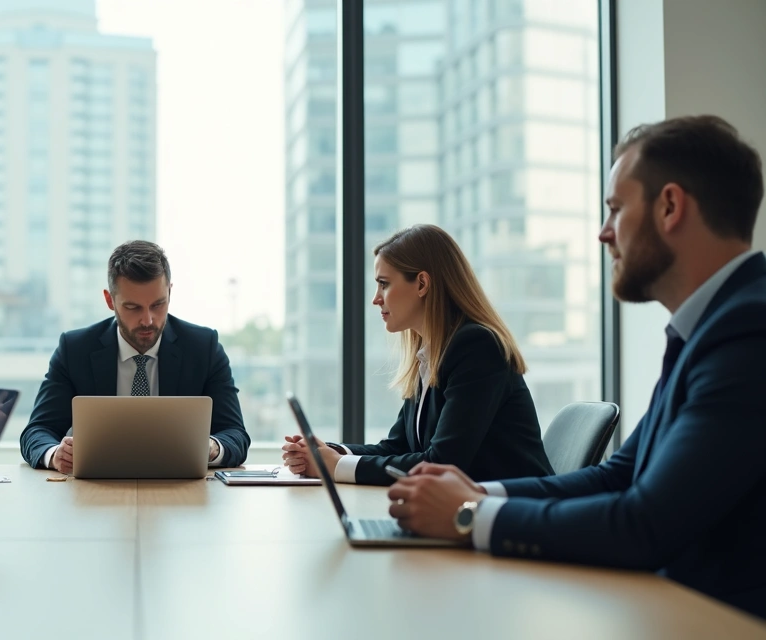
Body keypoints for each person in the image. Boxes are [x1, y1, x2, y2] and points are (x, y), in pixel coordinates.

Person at [388, 115, 766, 620]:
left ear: (671, 206)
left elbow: (644, 525)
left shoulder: (748, 331)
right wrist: (476, 491)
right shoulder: (710, 327)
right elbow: (620, 475)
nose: (603, 233)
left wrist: (468, 515)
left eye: (615, 209)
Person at [282, 224, 553, 486]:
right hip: (468, 513)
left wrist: (336, 466)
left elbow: (441, 463)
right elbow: (398, 446)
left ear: (422, 283)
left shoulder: (477, 346)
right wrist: (327, 453)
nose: (376, 298)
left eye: (384, 284)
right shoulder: (431, 354)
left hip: (514, 517)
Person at [20, 240, 250, 471]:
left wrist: (211, 447)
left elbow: (235, 434)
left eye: (158, 304)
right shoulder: (75, 349)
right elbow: (37, 431)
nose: (148, 320)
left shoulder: (203, 347)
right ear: (110, 300)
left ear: (170, 292)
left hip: (182, 493)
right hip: (93, 496)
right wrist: (55, 454)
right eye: (133, 308)